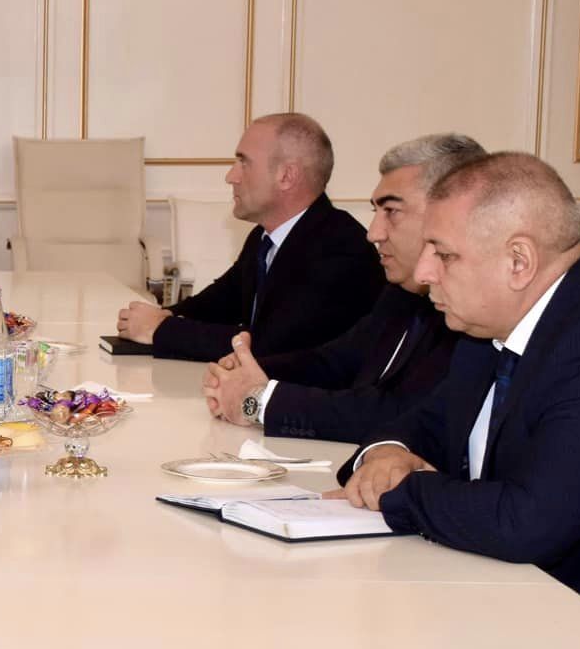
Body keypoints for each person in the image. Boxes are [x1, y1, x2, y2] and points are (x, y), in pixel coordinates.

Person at [338, 153, 580, 644]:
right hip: (516, 600)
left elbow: (525, 523)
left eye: (443, 254)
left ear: (519, 261)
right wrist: (388, 452)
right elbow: (423, 423)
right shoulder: (493, 326)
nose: (424, 272)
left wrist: (398, 491)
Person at [201, 133, 483, 443]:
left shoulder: (474, 312)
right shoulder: (402, 292)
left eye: (391, 211)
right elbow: (336, 361)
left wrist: (259, 401)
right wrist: (244, 373)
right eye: (376, 212)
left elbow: (400, 413)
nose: (373, 233)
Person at [117, 112, 382, 362]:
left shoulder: (341, 250)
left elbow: (271, 346)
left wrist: (161, 329)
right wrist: (165, 315)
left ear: (286, 176)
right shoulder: (264, 237)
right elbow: (222, 301)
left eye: (244, 162)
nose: (230, 176)